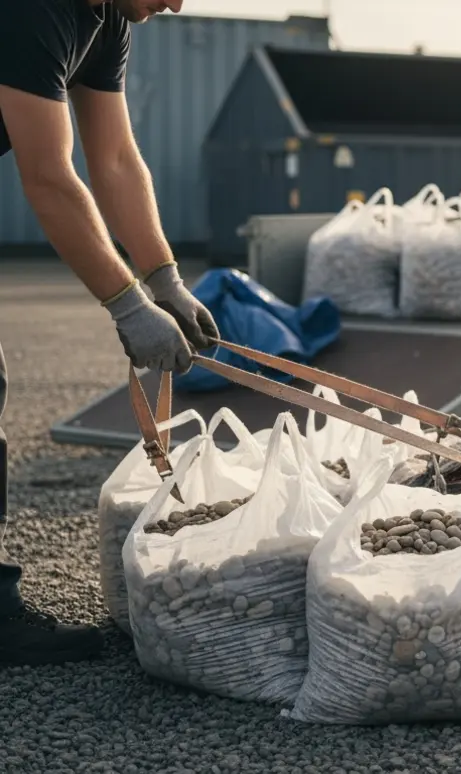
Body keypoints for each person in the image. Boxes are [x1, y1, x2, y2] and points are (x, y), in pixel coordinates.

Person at [0, 0, 218, 665]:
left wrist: (165, 279)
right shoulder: (30, 9)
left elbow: (117, 159)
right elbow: (48, 175)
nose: (178, 3)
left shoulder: (107, 20)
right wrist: (126, 303)